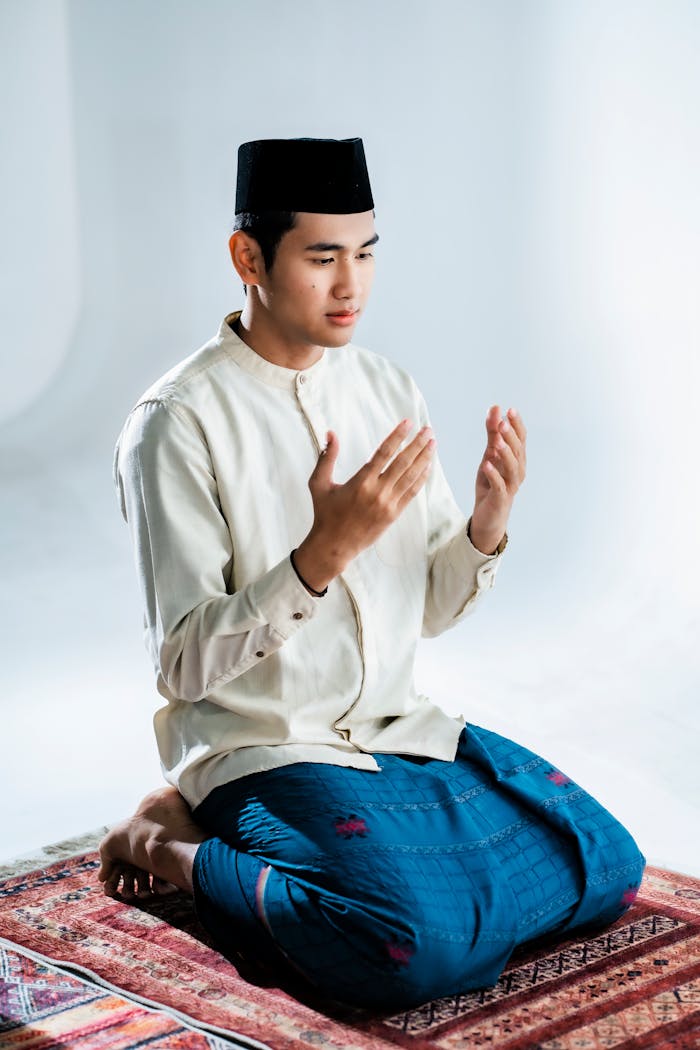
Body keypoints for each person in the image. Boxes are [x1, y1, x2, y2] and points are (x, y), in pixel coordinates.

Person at [99, 137, 644, 1012]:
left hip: (398, 732)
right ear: (249, 258)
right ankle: (164, 839)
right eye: (322, 257)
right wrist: (321, 556)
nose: (351, 284)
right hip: (265, 747)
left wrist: (484, 527)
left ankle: (394, 878)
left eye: (365, 253)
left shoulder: (387, 388)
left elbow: (425, 608)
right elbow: (183, 665)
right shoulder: (178, 423)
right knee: (409, 952)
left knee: (608, 865)